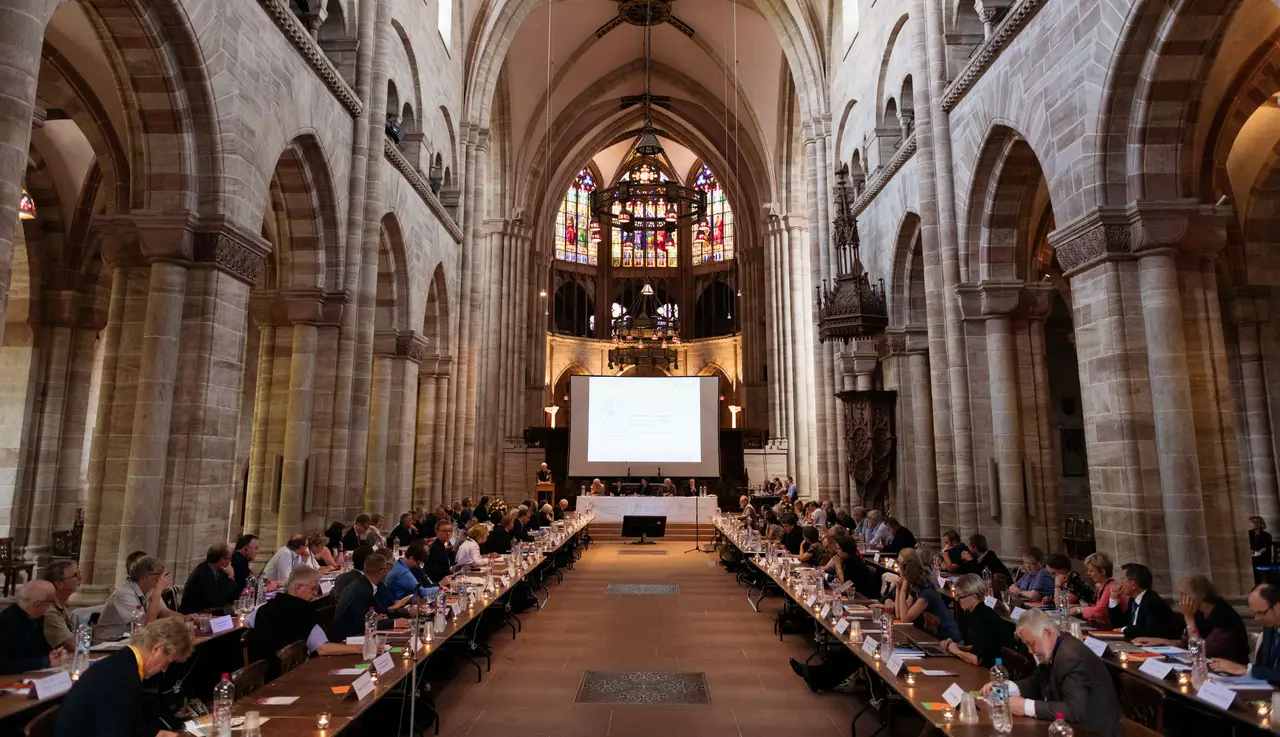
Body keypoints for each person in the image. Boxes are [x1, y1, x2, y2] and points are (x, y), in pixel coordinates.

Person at [981, 609, 1122, 737]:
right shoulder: (1056, 646)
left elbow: (1075, 710)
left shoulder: (1071, 657)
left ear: (1047, 633)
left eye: (1031, 644)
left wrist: (1026, 707)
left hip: (1094, 731)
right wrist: (1006, 688)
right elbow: (1037, 681)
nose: (1030, 651)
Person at [54, 618, 193, 737]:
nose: (164, 669)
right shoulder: (121, 678)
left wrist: (155, 733)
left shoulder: (124, 662)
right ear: (157, 649)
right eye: (168, 661)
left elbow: (123, 722)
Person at [247, 567, 361, 679]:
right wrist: (358, 648)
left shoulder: (263, 608)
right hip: (291, 675)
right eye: (313, 588)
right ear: (297, 587)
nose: (316, 593)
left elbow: (248, 622)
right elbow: (322, 648)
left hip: (263, 675)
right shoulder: (305, 611)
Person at [1132, 573, 1248, 662]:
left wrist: (1188, 619)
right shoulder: (1200, 612)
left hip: (1230, 671)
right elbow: (1187, 642)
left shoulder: (1224, 617)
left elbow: (1199, 650)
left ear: (1200, 596)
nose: (1181, 599)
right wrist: (1161, 641)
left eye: (1184, 594)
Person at [95, 555, 183, 642]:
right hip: (107, 644)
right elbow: (146, 627)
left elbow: (166, 612)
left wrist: (187, 619)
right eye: (160, 575)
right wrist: (158, 591)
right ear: (147, 577)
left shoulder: (149, 591)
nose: (163, 579)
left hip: (129, 641)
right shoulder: (125, 594)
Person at [889, 548, 964, 643]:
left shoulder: (926, 590)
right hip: (936, 639)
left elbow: (904, 618)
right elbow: (900, 614)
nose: (897, 565)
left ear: (907, 566)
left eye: (899, 562)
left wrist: (903, 591)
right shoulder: (915, 586)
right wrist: (898, 589)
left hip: (950, 641)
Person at [329, 552, 410, 641]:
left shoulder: (363, 584)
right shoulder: (361, 591)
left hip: (353, 632)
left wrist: (407, 611)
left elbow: (381, 611)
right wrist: (394, 623)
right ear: (383, 571)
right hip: (346, 639)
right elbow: (360, 624)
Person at [942, 573, 1016, 668]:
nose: (958, 600)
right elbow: (980, 647)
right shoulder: (981, 612)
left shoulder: (981, 618)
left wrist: (956, 651)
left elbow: (976, 659)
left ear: (975, 597)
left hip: (994, 669)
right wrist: (957, 647)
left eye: (960, 597)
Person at [1211, 583, 1280, 678]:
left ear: (1278, 606)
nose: (1257, 618)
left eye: (1261, 613)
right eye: (1254, 613)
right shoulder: (1269, 628)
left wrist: (1244, 669)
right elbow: (1264, 668)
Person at [0, 580, 63, 674]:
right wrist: (44, 661)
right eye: (52, 602)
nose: (52, 606)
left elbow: (39, 649)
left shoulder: (36, 618)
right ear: (38, 605)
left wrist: (53, 655)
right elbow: (4, 664)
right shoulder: (5, 622)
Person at [1110, 563, 1183, 640]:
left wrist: (1123, 630)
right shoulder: (1133, 601)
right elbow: (1119, 626)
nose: (1121, 584)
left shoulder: (1153, 602)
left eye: (1123, 579)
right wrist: (1114, 600)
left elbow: (1147, 633)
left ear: (1133, 584)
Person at [1069, 552, 1126, 627]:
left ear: (1102, 572)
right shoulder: (1104, 585)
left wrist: (1078, 610)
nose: (1088, 573)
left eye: (1091, 570)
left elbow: (1100, 611)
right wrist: (1078, 606)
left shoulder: (1111, 587)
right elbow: (1098, 606)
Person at [179, 543, 238, 614]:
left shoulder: (221, 572)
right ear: (222, 560)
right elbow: (217, 601)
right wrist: (231, 577)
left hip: (212, 612)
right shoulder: (201, 574)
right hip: (196, 615)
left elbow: (233, 595)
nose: (230, 562)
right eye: (229, 559)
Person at [42, 559, 81, 652]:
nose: (80, 578)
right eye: (76, 575)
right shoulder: (49, 610)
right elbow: (71, 646)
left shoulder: (61, 604)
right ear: (59, 583)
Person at [425, 517, 457, 584]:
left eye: (450, 531)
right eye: (445, 531)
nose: (448, 534)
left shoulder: (444, 545)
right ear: (437, 531)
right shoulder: (434, 549)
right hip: (439, 583)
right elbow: (436, 573)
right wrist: (450, 570)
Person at [1252, 516, 1273, 584]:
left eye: (1251, 523)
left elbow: (1263, 551)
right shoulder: (1249, 534)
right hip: (1252, 557)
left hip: (1262, 559)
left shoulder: (1266, 535)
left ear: (1257, 524)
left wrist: (1252, 553)